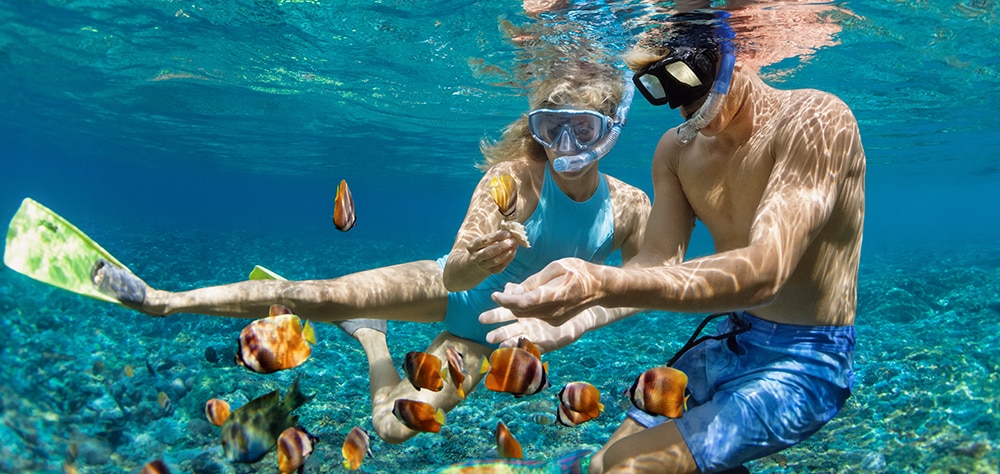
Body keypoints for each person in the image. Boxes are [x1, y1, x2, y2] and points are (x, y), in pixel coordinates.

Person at [92, 58, 650, 444]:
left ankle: (370, 335)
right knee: (310, 296)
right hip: (447, 290)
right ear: (536, 128)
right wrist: (477, 260)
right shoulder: (514, 179)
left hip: (488, 340)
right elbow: (456, 270)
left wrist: (578, 318)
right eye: (550, 129)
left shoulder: (630, 207)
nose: (565, 147)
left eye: (582, 129)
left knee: (392, 429)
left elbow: (648, 286)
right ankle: (162, 299)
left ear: (610, 133)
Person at [484, 13, 865, 474]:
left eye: (690, 79)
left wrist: (602, 285)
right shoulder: (676, 150)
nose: (682, 106)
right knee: (604, 463)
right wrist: (579, 319)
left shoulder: (817, 118)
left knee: (628, 468)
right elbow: (658, 258)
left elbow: (767, 270)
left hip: (804, 360)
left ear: (734, 54)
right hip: (730, 338)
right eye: (661, 89)